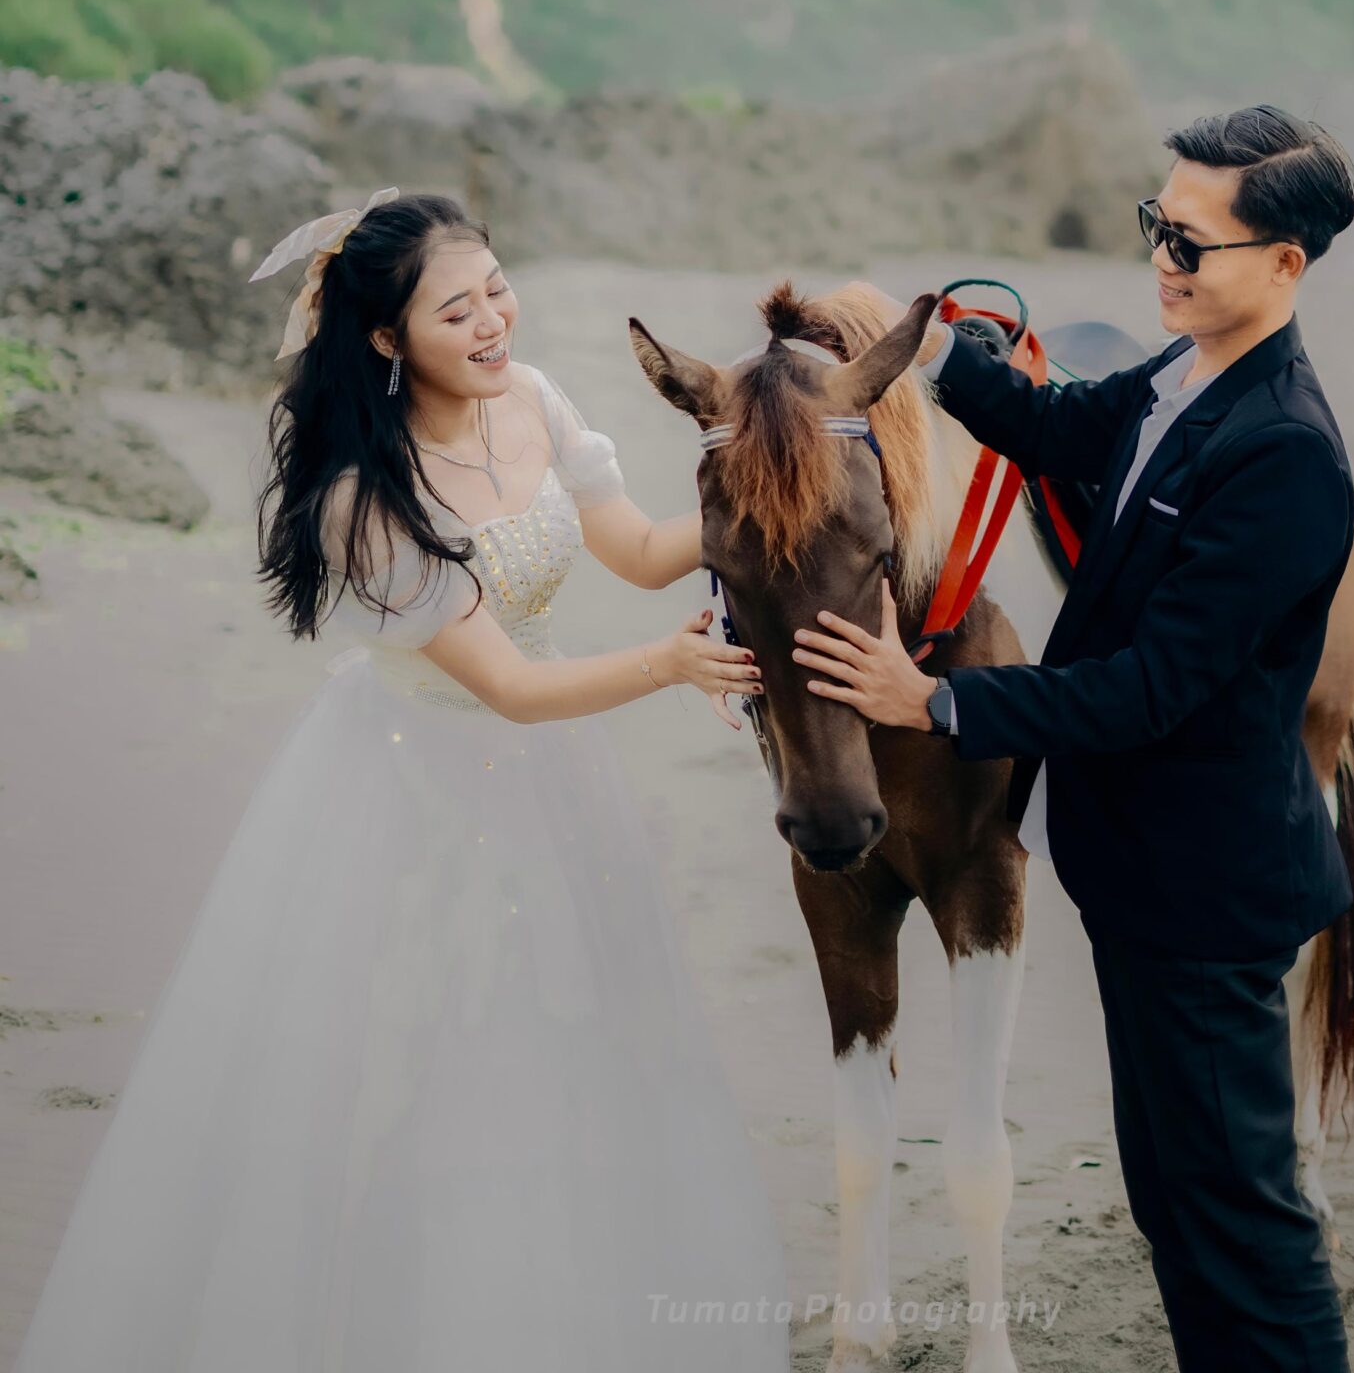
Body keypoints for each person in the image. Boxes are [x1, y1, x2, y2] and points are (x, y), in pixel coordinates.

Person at [16, 188, 788, 1373]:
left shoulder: (531, 398)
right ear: (387, 337)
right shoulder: (362, 499)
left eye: (497, 291)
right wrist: (671, 665)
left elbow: (637, 550)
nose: (493, 323)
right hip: (415, 791)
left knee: (572, 1045)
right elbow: (510, 688)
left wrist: (761, 486)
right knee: (421, 1064)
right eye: (455, 311)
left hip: (552, 780)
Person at [793, 105, 1354, 1373]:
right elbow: (1058, 425)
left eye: (1194, 243)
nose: (1163, 258)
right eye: (1158, 224)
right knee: (1174, 1203)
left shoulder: (1284, 454)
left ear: (1285, 263)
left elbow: (1151, 689)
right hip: (1144, 881)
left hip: (1209, 901)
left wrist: (937, 703)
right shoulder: (1186, 372)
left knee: (1243, 1226)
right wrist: (933, 347)